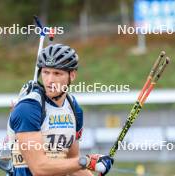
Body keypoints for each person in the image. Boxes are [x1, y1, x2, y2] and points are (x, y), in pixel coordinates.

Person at [7, 43, 114, 176]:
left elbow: (71, 163)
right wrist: (87, 161)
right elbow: (39, 168)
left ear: (72, 76)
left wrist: (91, 165)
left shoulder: (74, 108)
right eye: (46, 72)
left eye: (57, 73)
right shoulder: (28, 108)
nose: (50, 80)